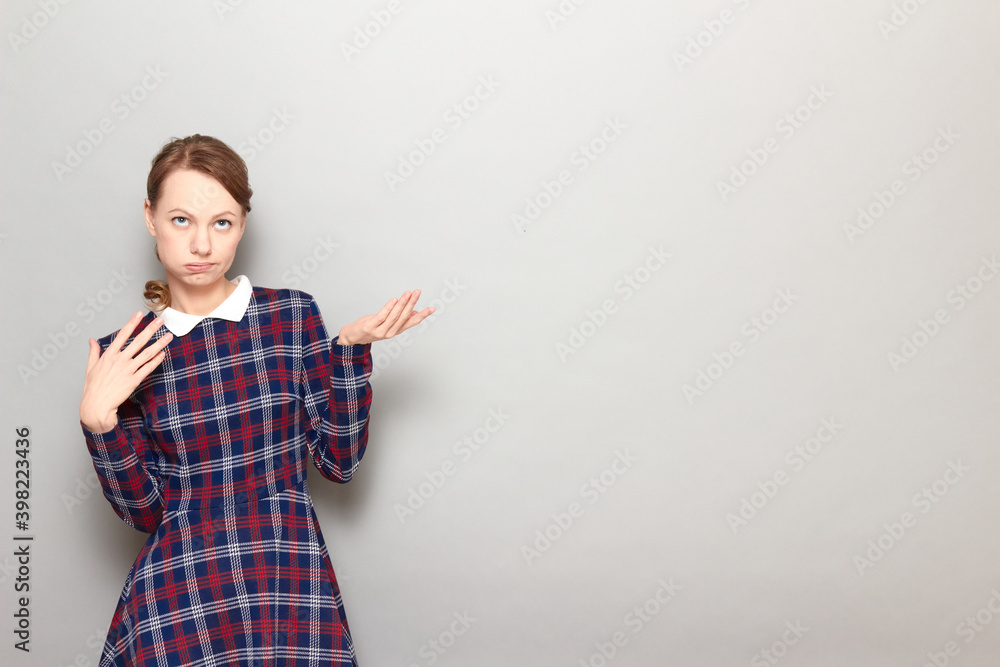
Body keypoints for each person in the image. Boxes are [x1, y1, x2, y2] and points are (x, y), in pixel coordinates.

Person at [78, 134, 433, 666]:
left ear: (243, 223)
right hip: (180, 596)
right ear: (150, 218)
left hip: (287, 582)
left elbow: (338, 464)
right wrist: (98, 424)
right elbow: (145, 511)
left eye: (221, 222)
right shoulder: (126, 352)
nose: (201, 245)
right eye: (181, 220)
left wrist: (349, 353)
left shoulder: (291, 316)